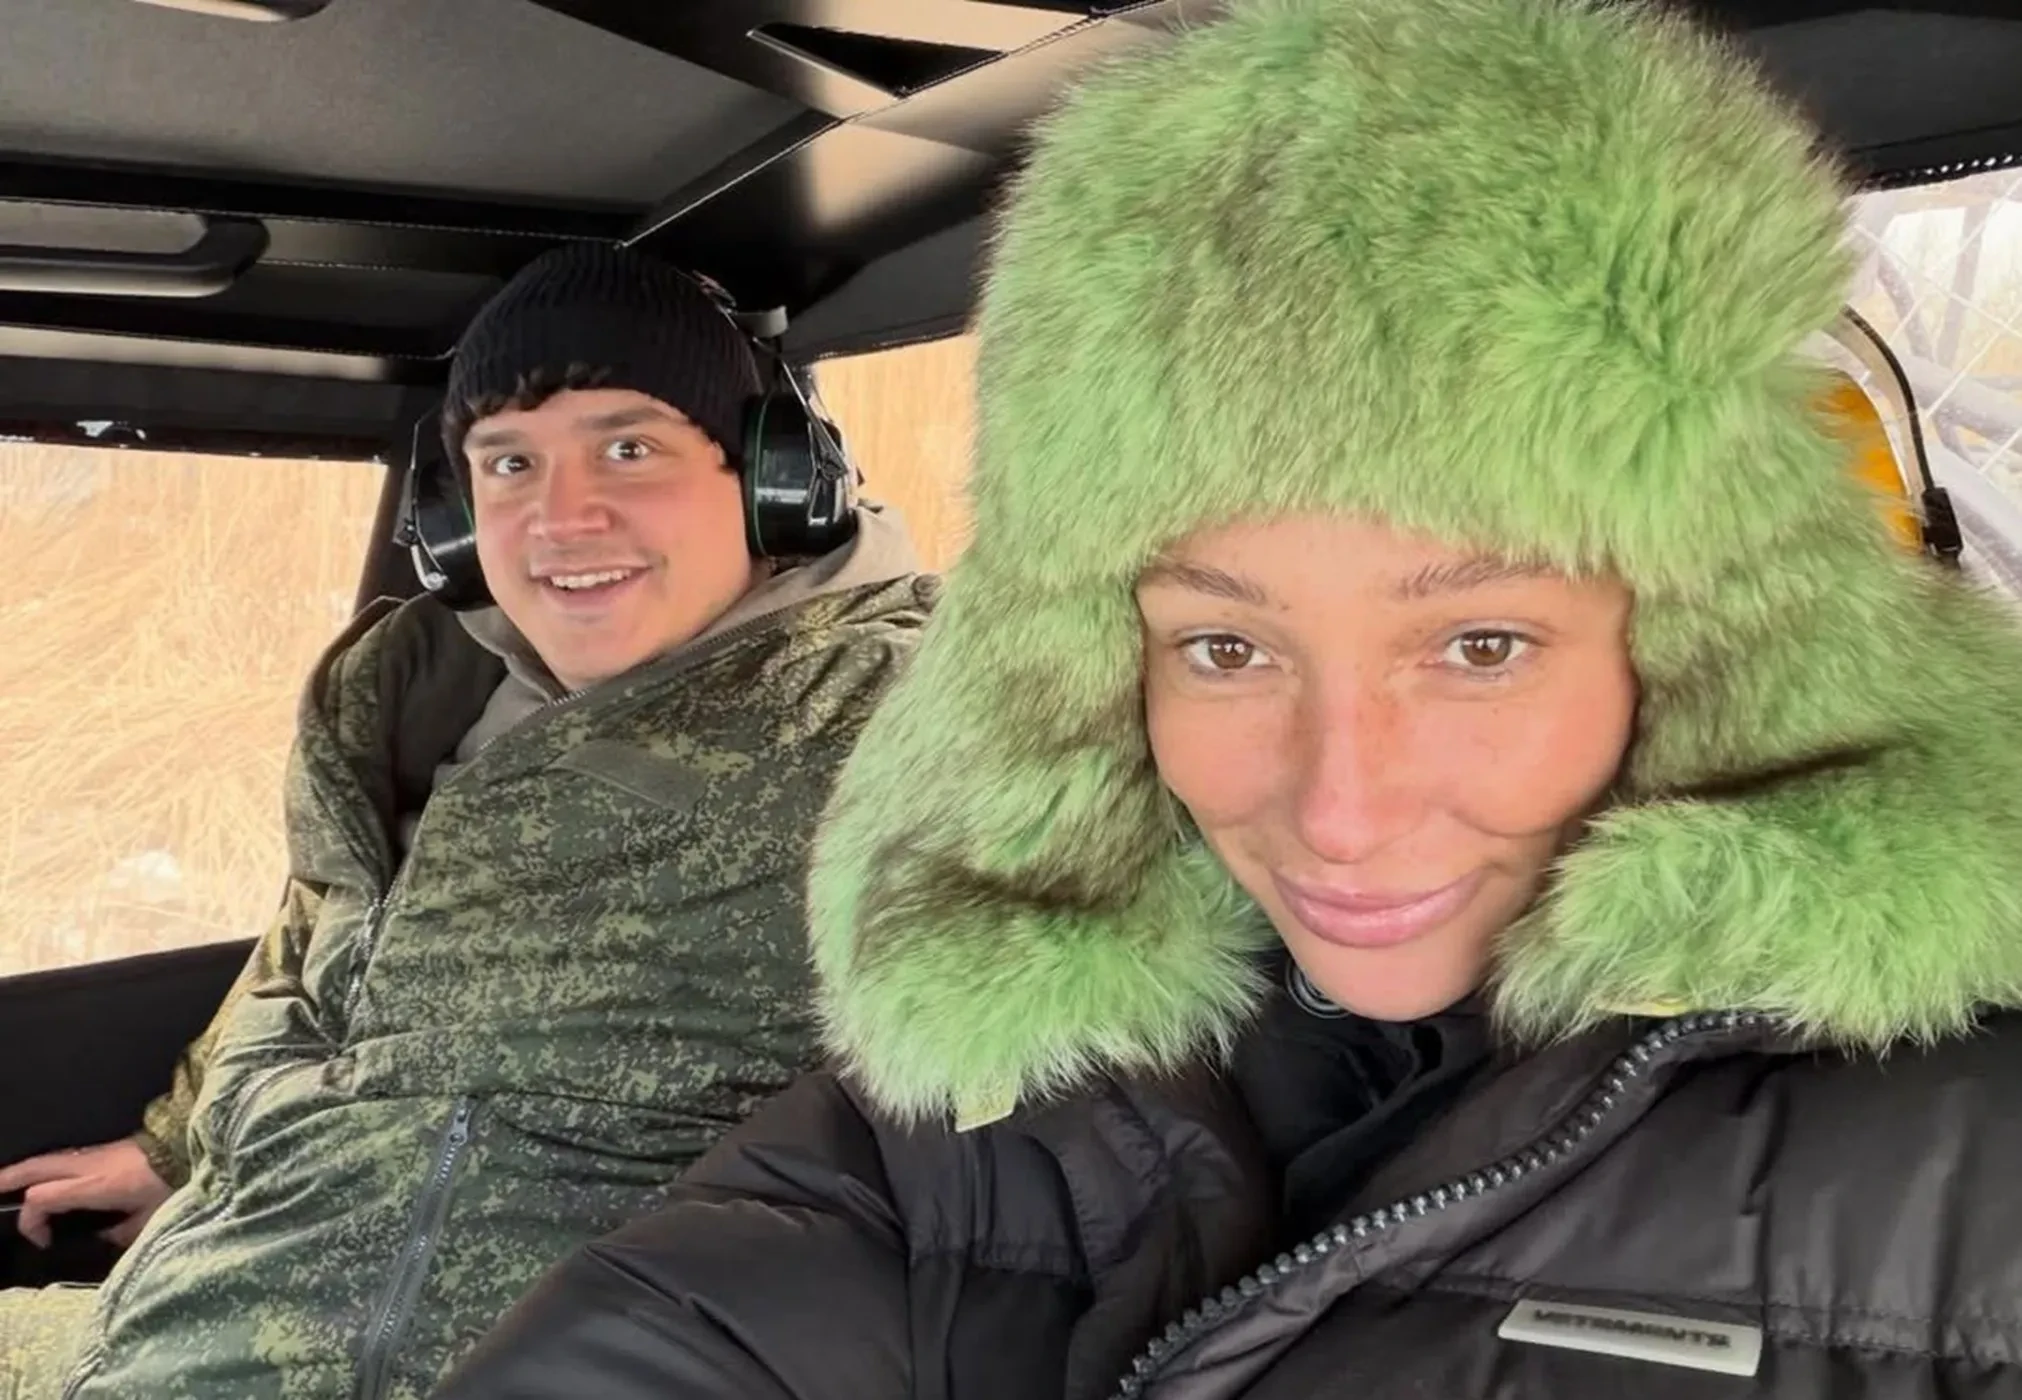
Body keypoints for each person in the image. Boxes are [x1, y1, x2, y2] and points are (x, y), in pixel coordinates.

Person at [432, 1, 2022, 1396]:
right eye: (1225, 649)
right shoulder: (994, 1088)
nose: (1340, 812)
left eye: (1478, 645)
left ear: (1717, 646)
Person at [0, 244, 935, 1398]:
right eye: (509, 462)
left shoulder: (892, 706)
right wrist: (173, 1142)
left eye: (629, 448)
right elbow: (319, 938)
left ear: (776, 475)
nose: (562, 518)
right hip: (194, 1297)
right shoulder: (408, 698)